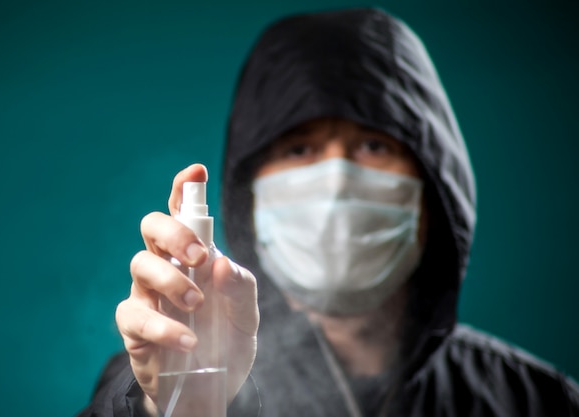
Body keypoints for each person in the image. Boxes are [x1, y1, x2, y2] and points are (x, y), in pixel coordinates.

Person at [78, 8, 579, 417]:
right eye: (299, 150)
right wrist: (174, 406)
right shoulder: (156, 380)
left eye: (371, 144)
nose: (337, 181)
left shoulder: (536, 400)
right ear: (250, 194)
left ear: (432, 189)